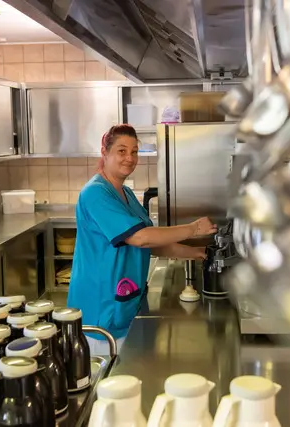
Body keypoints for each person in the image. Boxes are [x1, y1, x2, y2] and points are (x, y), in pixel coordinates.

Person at [67, 124, 218, 355]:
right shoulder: (95, 193)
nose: (130, 158)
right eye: (122, 151)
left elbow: (151, 243)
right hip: (100, 308)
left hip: (124, 301)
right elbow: (140, 238)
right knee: (105, 384)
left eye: (134, 151)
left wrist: (198, 253)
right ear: (104, 152)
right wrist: (193, 228)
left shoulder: (125, 193)